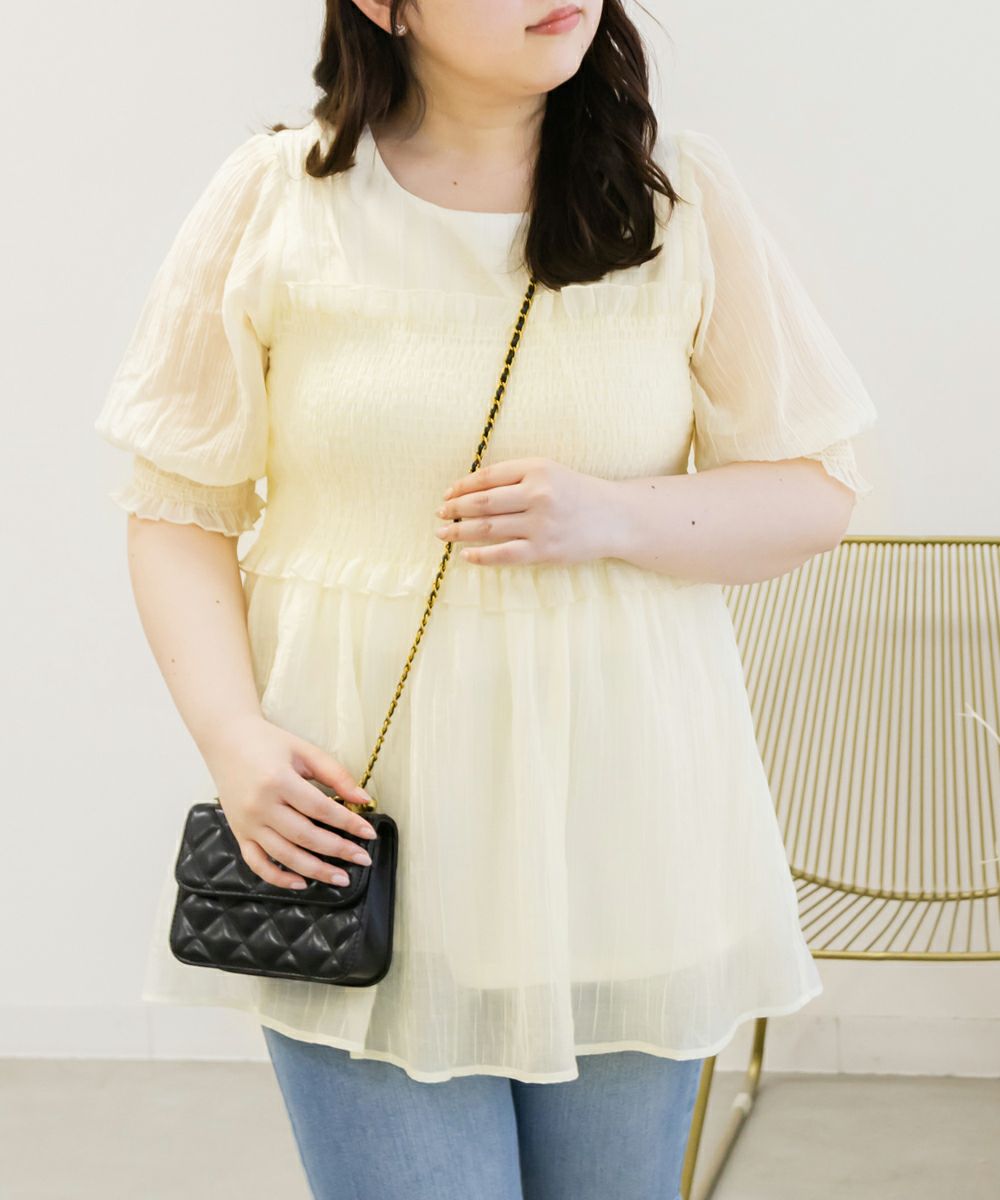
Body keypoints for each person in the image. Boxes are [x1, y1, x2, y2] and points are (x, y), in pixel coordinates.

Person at [93, 2, 878, 1197]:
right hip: (361, 848)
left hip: (624, 838)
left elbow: (816, 490)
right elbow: (177, 508)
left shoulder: (675, 200)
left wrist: (614, 516)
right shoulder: (276, 201)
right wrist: (232, 738)